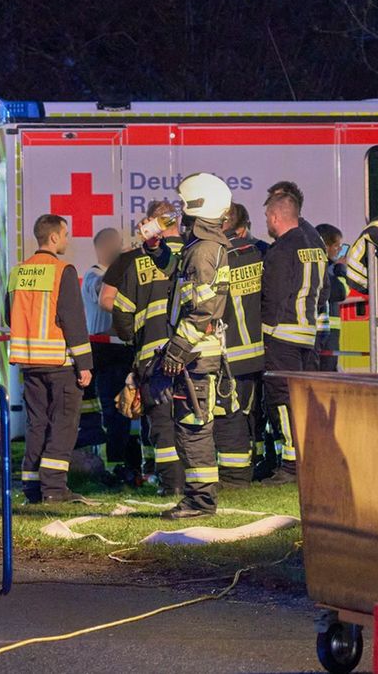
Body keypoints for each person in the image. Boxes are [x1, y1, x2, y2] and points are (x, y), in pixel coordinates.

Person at [147, 173, 234, 519]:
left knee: (194, 428)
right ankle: (198, 499)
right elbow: (176, 272)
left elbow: (204, 310)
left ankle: (200, 502)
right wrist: (156, 248)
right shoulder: (199, 248)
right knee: (189, 424)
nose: (180, 213)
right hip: (196, 352)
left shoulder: (203, 252)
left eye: (184, 206)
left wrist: (177, 349)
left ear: (198, 206)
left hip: (197, 353)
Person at [7, 214, 94, 504]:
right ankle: (55, 488)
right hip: (59, 362)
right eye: (65, 234)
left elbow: (8, 315)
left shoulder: (18, 272)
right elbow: (73, 319)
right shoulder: (62, 271)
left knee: (37, 424)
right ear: (54, 237)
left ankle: (32, 487)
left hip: (29, 363)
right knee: (63, 424)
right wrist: (85, 364)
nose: (67, 240)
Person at [110, 200, 186, 496]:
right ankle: (199, 482)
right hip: (193, 353)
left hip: (152, 358)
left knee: (163, 423)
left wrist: (133, 339)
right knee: (194, 420)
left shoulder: (138, 263)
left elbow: (122, 315)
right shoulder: (193, 253)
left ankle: (172, 485)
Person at [259, 181, 326, 485]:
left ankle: (290, 464)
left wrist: (265, 330)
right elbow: (324, 291)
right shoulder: (314, 244)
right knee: (303, 399)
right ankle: (308, 458)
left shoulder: (281, 250)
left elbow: (272, 294)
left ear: (275, 217)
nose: (267, 222)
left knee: (282, 398)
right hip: (308, 333)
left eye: (267, 217)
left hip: (282, 335)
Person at [84, 227, 140, 486]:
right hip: (105, 352)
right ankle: (114, 464)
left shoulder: (118, 275)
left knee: (129, 408)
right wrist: (123, 265)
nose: (118, 250)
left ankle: (131, 463)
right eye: (114, 245)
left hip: (123, 349)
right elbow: (104, 294)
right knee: (113, 409)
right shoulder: (94, 275)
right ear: (102, 248)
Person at [217, 203, 264, 488]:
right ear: (243, 228)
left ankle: (235, 474)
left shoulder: (216, 257)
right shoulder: (261, 253)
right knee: (251, 412)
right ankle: (254, 463)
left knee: (230, 413)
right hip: (257, 351)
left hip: (229, 351)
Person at [314, 223, 348, 372]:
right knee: (326, 372)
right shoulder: (328, 268)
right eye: (336, 246)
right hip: (325, 332)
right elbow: (341, 293)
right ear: (326, 246)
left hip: (324, 330)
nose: (339, 250)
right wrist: (341, 269)